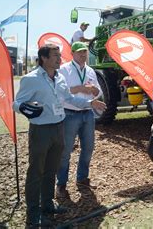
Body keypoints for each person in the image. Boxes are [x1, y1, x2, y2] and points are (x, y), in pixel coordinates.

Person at [13, 44, 106, 228]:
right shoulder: (31, 79)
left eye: (59, 55)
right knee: (36, 171)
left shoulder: (60, 78)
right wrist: (23, 108)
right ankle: (33, 213)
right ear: (44, 58)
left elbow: (69, 100)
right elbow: (17, 102)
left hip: (58, 128)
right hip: (41, 130)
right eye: (55, 55)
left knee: (50, 170)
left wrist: (90, 103)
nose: (59, 58)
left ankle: (48, 205)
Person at [56, 42, 101, 199]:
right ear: (72, 53)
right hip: (70, 114)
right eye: (80, 52)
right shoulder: (64, 70)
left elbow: (97, 91)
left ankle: (82, 179)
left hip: (88, 113)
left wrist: (95, 91)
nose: (83, 55)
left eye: (85, 52)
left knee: (88, 148)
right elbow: (61, 92)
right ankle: (61, 184)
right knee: (65, 151)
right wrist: (81, 88)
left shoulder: (90, 71)